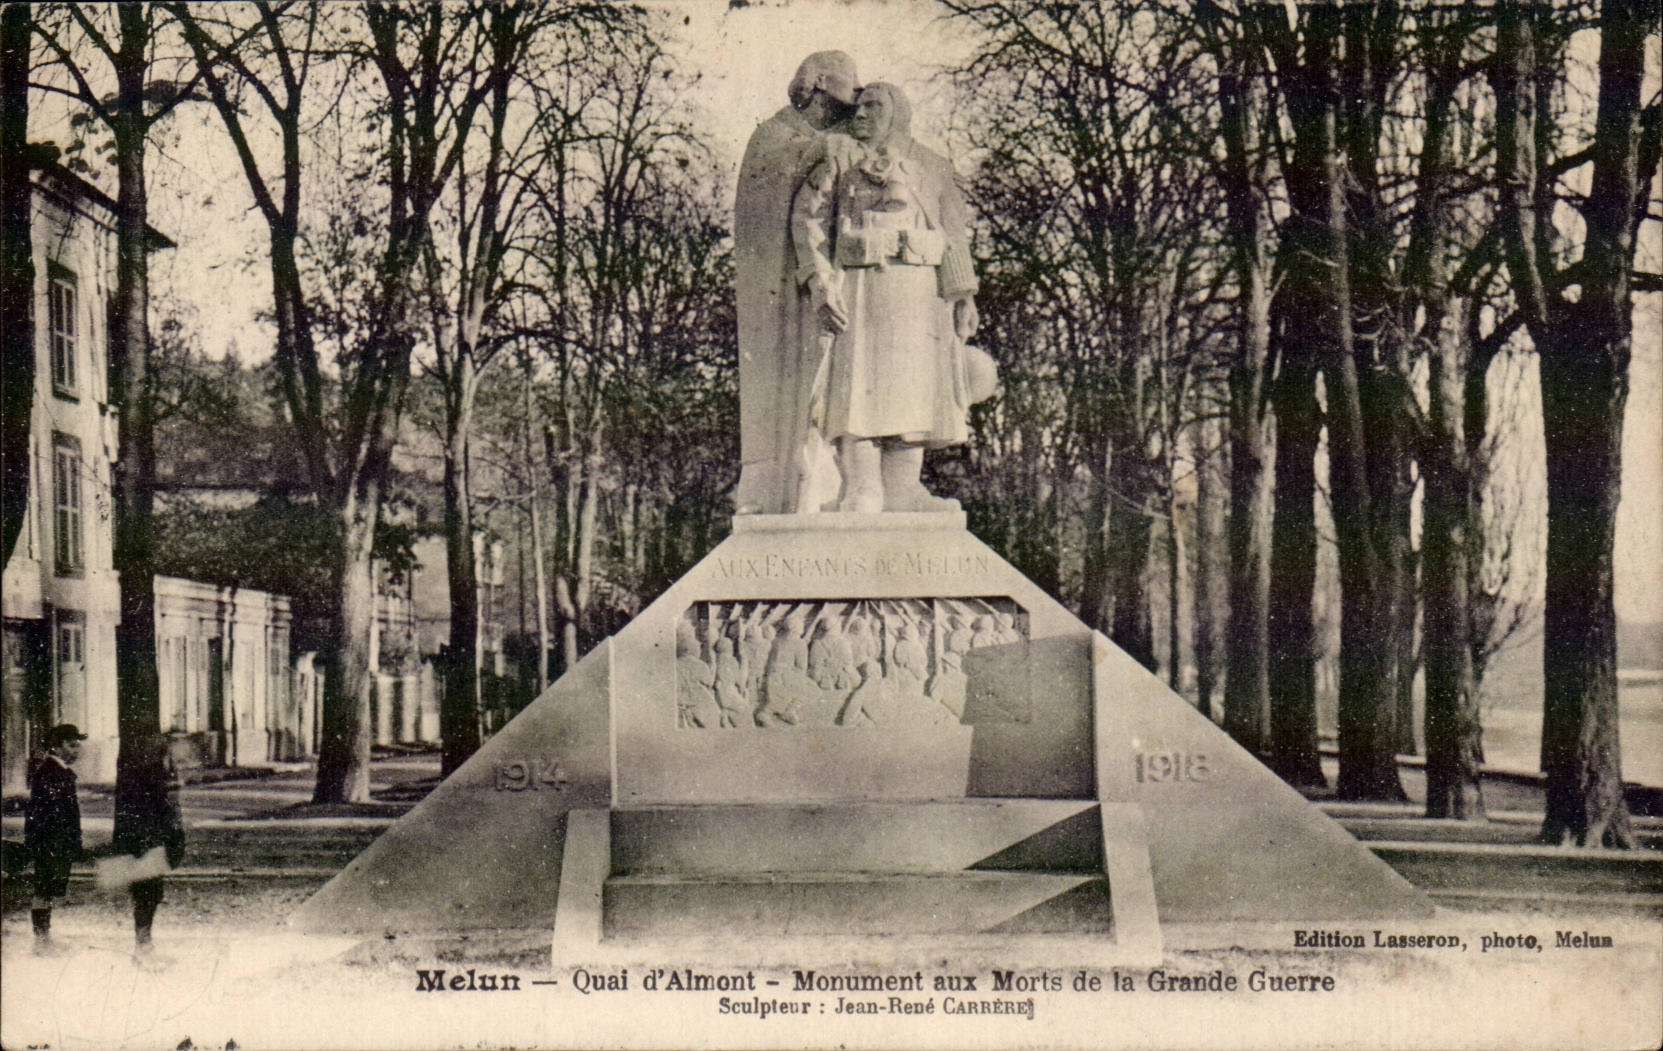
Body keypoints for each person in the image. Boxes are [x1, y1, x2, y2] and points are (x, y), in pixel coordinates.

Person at [791, 81, 984, 512]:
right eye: (857, 108)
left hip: (919, 295)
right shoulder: (837, 159)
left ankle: (903, 489)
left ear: (897, 112)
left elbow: (952, 230)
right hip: (860, 288)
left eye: (873, 107)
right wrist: (820, 285)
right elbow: (810, 222)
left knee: (914, 389)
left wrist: (964, 295)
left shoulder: (932, 166)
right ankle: (862, 487)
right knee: (857, 387)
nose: (860, 115)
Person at [733, 51, 861, 515]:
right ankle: (781, 482)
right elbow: (769, 190)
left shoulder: (832, 140)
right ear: (821, 83)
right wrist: (823, 151)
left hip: (818, 280)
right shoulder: (773, 134)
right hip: (777, 286)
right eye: (849, 89)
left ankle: (819, 478)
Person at [26, 723, 86, 956]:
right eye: (72, 745)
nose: (76, 750)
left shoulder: (57, 772)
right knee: (44, 889)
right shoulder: (51, 773)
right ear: (57, 747)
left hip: (55, 842)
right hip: (50, 842)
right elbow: (50, 813)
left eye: (77, 745)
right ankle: (41, 941)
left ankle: (44, 938)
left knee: (48, 889)